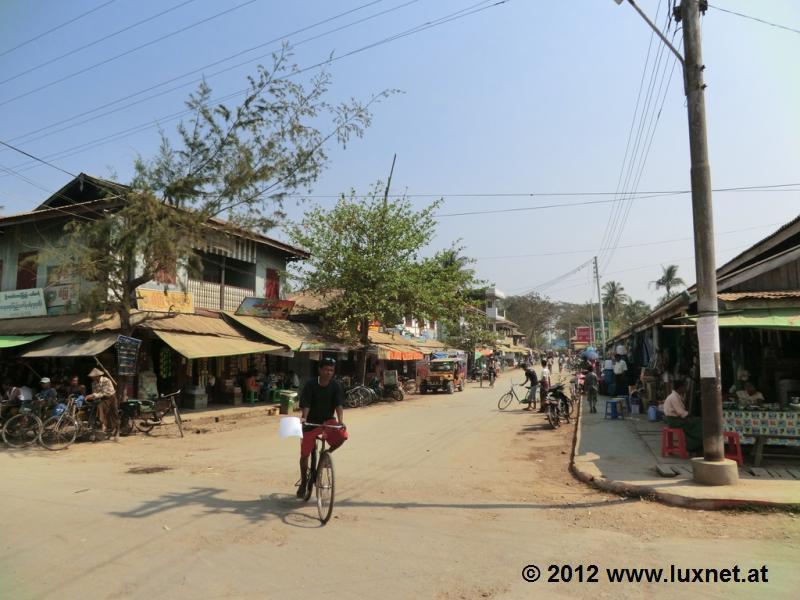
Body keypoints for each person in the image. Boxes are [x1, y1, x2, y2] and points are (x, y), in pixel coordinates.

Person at [297, 357, 348, 497]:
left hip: (328, 422)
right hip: (311, 423)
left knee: (343, 435)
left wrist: (340, 421)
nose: (328, 372)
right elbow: (306, 404)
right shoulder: (310, 384)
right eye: (326, 369)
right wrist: (304, 418)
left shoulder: (335, 386)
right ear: (320, 370)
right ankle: (304, 480)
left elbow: (338, 404)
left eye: (331, 370)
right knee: (304, 454)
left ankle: (326, 454)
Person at [663, 380, 702, 453]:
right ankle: (695, 446)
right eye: (684, 387)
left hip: (676, 419)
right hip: (675, 421)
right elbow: (681, 412)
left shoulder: (676, 396)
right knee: (697, 424)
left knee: (695, 423)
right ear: (680, 388)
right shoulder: (674, 397)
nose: (685, 389)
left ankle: (693, 445)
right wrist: (689, 414)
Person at [85, 367, 119, 438]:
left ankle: (117, 430)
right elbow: (95, 393)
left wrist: (93, 395)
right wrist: (92, 397)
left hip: (111, 397)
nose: (92, 378)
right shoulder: (93, 383)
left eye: (93, 376)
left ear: (97, 376)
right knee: (99, 407)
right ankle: (103, 424)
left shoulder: (106, 380)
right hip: (103, 398)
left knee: (114, 414)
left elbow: (104, 392)